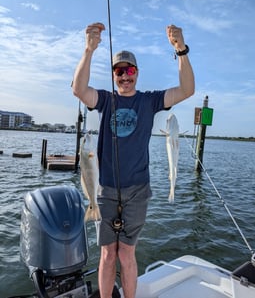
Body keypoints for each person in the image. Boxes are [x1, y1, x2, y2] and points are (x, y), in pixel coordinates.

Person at [72, 22, 195, 298]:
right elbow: (79, 90)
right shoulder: (104, 100)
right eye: (119, 71)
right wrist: (88, 51)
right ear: (114, 75)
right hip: (104, 191)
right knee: (107, 254)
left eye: (130, 70)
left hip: (138, 190)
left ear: (137, 73)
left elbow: (186, 90)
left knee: (126, 254)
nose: (125, 76)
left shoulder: (149, 102)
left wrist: (181, 50)